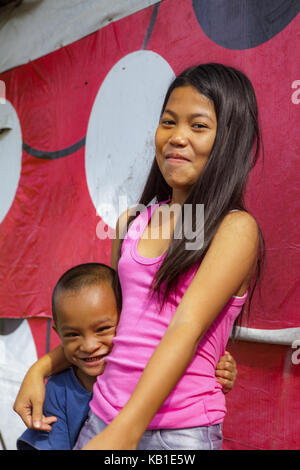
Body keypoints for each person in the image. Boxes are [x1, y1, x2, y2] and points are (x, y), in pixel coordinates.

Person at [14, 63, 264, 450]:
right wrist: (41, 367)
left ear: (229, 139)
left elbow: (186, 327)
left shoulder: (235, 229)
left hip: (176, 435)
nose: (177, 137)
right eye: (168, 122)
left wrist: (126, 433)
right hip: (103, 417)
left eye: (198, 126)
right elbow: (118, 329)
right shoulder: (130, 223)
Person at [16, 263, 120, 450]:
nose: (89, 346)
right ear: (58, 334)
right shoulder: (58, 390)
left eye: (103, 329)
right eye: (73, 334)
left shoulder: (142, 375)